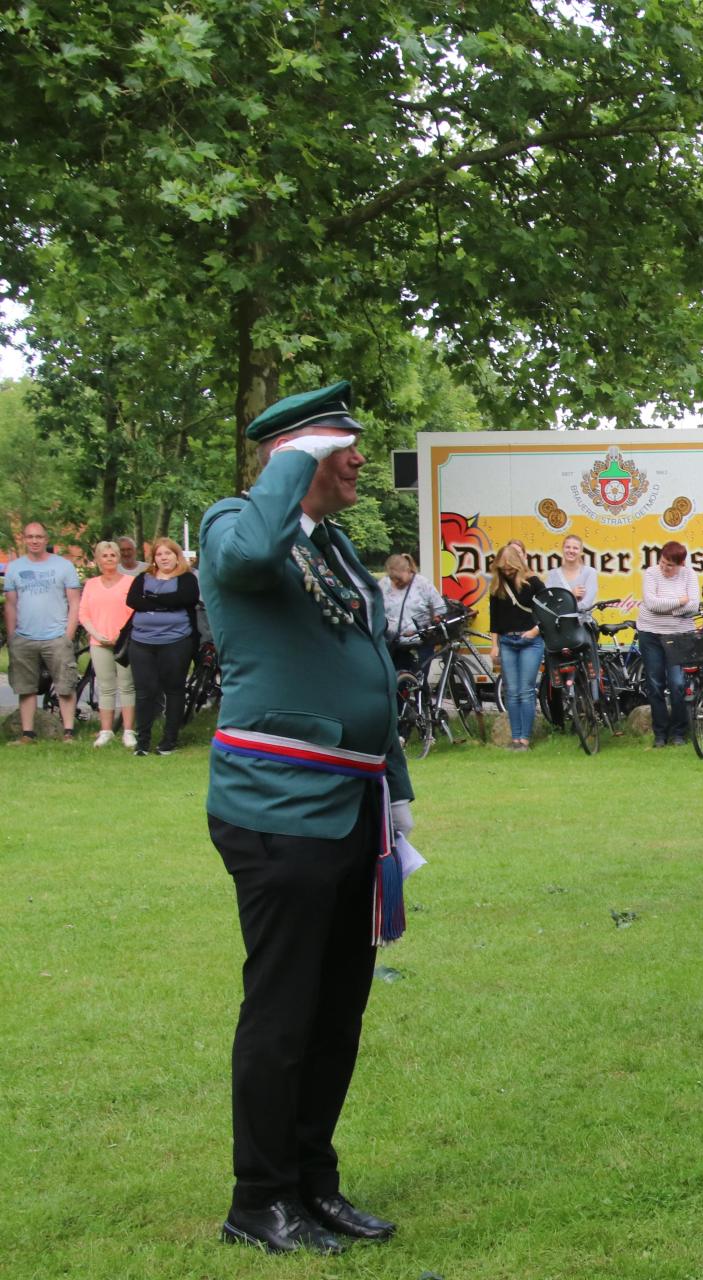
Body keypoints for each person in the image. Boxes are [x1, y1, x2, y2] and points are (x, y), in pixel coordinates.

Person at [199, 380, 413, 1254]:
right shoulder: (235, 524)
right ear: (299, 454)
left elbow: (370, 674)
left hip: (351, 802)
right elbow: (250, 559)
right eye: (343, 443)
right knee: (285, 1009)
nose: (361, 457)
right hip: (279, 805)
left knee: (337, 1010)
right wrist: (286, 459)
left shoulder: (331, 548)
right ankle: (259, 1198)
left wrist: (396, 789)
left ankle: (313, 1184)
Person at [4, 520, 82, 744]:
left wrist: (68, 634)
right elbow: (10, 604)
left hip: (57, 636)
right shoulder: (15, 567)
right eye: (30, 537)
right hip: (24, 637)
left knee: (65, 685)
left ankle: (68, 733)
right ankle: (28, 734)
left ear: (46, 540)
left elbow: (74, 602)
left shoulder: (63, 566)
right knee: (25, 687)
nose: (34, 541)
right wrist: (12, 635)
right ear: (24, 539)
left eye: (39, 537)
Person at [125, 537, 200, 756]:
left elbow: (186, 598)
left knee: (174, 689)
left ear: (177, 556)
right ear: (154, 558)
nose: (164, 557)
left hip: (176, 641)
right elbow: (133, 601)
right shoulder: (143, 577)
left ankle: (169, 740)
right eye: (159, 554)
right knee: (144, 692)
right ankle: (143, 742)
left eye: (168, 553)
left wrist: (153, 598)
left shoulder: (186, 578)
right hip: (142, 642)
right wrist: (167, 602)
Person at [636, 541, 700, 747]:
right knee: (655, 684)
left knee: (677, 684)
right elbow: (651, 603)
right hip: (650, 633)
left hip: (679, 636)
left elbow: (694, 606)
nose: (664, 568)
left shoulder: (689, 575)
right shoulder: (651, 574)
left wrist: (672, 608)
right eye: (662, 562)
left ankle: (679, 732)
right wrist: (679, 602)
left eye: (670, 565)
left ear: (681, 564)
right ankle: (660, 734)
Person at [78, 540, 138, 748]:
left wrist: (119, 636)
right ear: (97, 559)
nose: (109, 558)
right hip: (99, 641)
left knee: (127, 686)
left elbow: (134, 612)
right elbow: (84, 613)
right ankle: (106, 731)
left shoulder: (130, 582)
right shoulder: (91, 584)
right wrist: (97, 634)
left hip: (124, 642)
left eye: (113, 555)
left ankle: (129, 731)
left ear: (119, 558)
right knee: (105, 687)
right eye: (105, 555)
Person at [488, 544, 545, 751]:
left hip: (530, 641)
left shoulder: (533, 583)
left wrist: (535, 631)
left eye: (510, 569)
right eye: (503, 569)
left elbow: (548, 611)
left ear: (518, 565)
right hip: (507, 641)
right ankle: (515, 738)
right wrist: (494, 645)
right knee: (511, 691)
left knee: (526, 690)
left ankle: (525, 739)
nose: (507, 572)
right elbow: (494, 619)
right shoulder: (497, 586)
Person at [380, 554, 446, 676]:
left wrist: (431, 623)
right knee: (398, 682)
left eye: (398, 578)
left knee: (419, 681)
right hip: (394, 643)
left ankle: (422, 693)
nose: (395, 582)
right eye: (392, 578)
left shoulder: (422, 584)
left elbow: (439, 608)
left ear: (408, 570)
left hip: (420, 642)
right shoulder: (384, 584)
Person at [543, 533, 600, 609]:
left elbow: (586, 605)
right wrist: (571, 595)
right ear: (562, 549)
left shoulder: (590, 572)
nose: (571, 551)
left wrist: (561, 603)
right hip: (558, 621)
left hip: (581, 620)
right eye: (567, 547)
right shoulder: (552, 574)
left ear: (581, 551)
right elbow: (549, 604)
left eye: (575, 548)